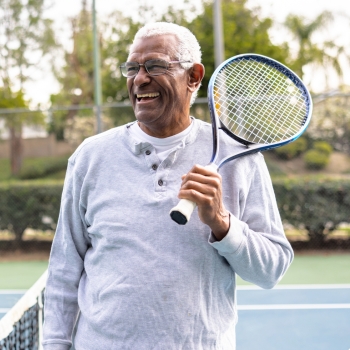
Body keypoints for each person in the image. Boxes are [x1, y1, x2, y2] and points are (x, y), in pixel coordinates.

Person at [42, 22, 293, 350]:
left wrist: (222, 224)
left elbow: (271, 269)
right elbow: (64, 271)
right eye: (132, 68)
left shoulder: (242, 161)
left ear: (194, 77)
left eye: (156, 66)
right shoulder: (90, 157)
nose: (140, 79)